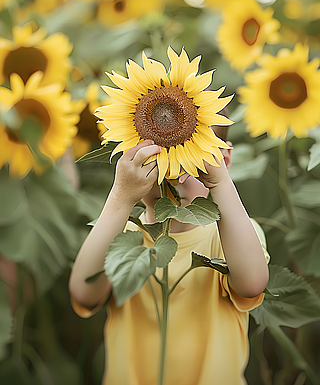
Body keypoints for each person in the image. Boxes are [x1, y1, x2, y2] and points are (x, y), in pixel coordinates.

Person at [69, 120, 270, 385]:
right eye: (156, 155)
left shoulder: (229, 236)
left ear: (224, 159)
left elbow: (252, 284)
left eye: (187, 151)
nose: (172, 172)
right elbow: (85, 293)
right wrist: (120, 196)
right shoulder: (123, 233)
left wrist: (220, 182)